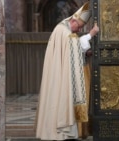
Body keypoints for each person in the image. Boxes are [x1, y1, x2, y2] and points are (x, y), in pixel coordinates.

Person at [35, 1, 99, 141]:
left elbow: (71, 52)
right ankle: (60, 132)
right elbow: (73, 47)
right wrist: (91, 34)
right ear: (74, 20)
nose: (78, 30)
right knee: (61, 101)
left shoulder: (64, 29)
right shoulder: (64, 31)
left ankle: (63, 132)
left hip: (61, 75)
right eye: (79, 27)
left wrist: (84, 53)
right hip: (60, 78)